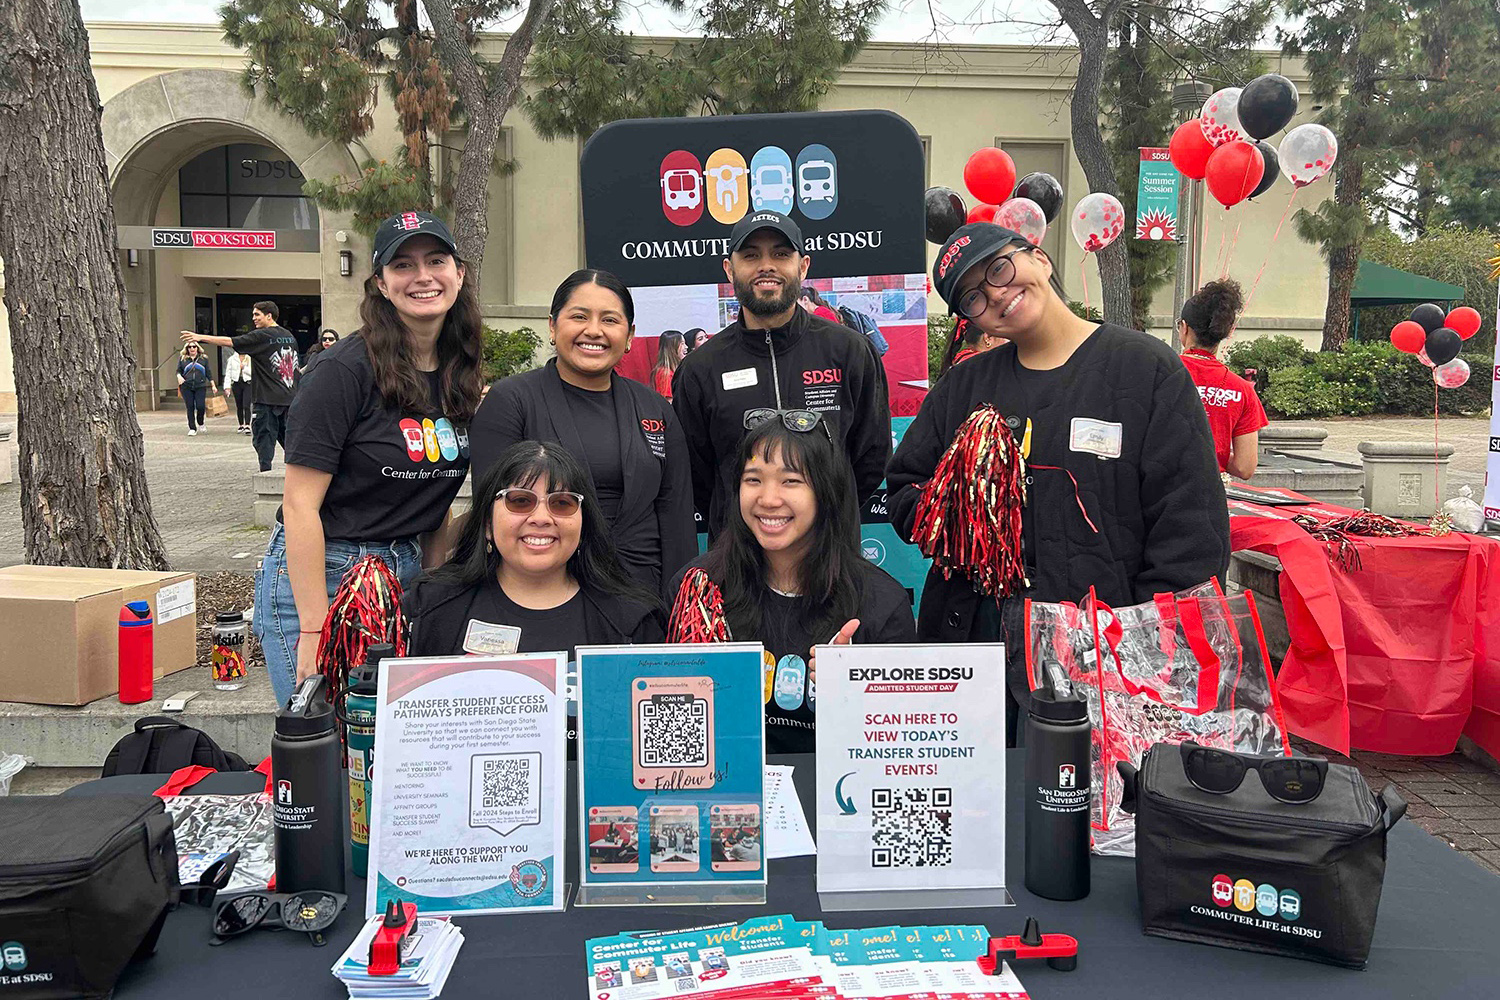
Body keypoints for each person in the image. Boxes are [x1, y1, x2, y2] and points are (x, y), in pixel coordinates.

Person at [887, 222, 1230, 741]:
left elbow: (1189, 530)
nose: (997, 295)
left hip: (1103, 651)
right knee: (983, 806)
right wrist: (967, 511)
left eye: (1000, 269)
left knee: (1083, 808)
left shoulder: (1144, 370)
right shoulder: (966, 385)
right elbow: (906, 488)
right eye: (975, 298)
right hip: (974, 648)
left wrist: (1143, 645)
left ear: (1040, 259)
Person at [252, 211, 483, 705]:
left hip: (405, 573)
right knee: (324, 750)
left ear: (459, 273)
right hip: (327, 574)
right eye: (402, 265)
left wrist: (434, 584)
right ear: (380, 283)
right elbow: (299, 506)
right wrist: (314, 630)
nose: (422, 276)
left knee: (392, 752)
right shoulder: (342, 371)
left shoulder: (458, 372)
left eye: (436, 260)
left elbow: (431, 492)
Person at [668, 416, 915, 753]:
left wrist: (861, 689)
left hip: (834, 792)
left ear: (826, 492)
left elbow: (900, 743)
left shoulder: (880, 603)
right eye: (753, 479)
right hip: (728, 794)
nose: (769, 499)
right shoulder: (697, 591)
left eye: (791, 481)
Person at [469, 270, 696, 596]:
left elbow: (676, 517)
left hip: (643, 598)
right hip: (544, 594)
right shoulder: (512, 401)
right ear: (552, 325)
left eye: (610, 320)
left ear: (630, 334)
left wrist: (679, 604)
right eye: (579, 316)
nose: (594, 331)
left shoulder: (655, 409)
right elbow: (493, 515)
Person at [671, 210, 890, 539]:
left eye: (781, 254)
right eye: (750, 255)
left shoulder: (850, 352)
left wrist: (828, 513)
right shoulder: (700, 370)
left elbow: (871, 456)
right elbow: (698, 475)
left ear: (802, 266)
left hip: (831, 559)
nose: (766, 266)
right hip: (738, 564)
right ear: (730, 269)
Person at [405, 441, 665, 659]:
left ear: (584, 524)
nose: (541, 518)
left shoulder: (632, 623)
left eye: (562, 503)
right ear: (487, 524)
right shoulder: (427, 609)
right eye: (520, 501)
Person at [182, 299, 299, 472]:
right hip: (288, 398)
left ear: (269, 316)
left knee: (263, 439)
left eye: (257, 314)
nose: (254, 318)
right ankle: (301, 475)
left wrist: (201, 337)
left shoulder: (262, 335)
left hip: (267, 399)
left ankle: (265, 476)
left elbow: (230, 341)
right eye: (253, 314)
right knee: (291, 441)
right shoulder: (289, 336)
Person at [1178, 279, 1267, 480]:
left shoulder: (1159, 373)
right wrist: (1213, 454)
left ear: (1184, 328)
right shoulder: (1242, 390)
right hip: (1210, 495)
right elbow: (1245, 467)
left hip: (1157, 492)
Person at [175, 341, 215, 436]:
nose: (192, 349)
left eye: (194, 347)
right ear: (187, 349)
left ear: (197, 348)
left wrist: (213, 384)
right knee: (190, 407)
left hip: (200, 386)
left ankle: (200, 422)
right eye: (190, 347)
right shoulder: (183, 359)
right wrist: (179, 376)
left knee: (200, 406)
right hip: (186, 386)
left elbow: (208, 372)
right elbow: (178, 370)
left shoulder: (203, 359)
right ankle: (192, 427)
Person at [223, 349, 253, 433]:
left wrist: (244, 368)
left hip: (247, 383)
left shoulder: (250, 358)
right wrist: (227, 387)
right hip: (236, 383)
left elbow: (253, 373)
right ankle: (241, 424)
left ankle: (247, 424)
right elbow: (228, 373)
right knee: (239, 405)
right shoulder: (232, 359)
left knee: (246, 404)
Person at [651, 330, 686, 401]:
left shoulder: (675, 370)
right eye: (682, 344)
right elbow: (669, 403)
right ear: (672, 348)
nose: (686, 347)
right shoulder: (665, 373)